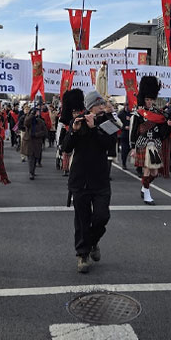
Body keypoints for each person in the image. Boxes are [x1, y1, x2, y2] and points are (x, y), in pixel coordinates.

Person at [60, 90, 118, 274]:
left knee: (102, 216)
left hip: (100, 179)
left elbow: (109, 145)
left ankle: (92, 242)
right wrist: (74, 131)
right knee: (82, 220)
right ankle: (82, 254)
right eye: (99, 104)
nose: (102, 107)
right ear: (90, 106)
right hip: (80, 179)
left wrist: (94, 129)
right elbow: (66, 147)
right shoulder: (77, 121)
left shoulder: (108, 122)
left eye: (103, 104)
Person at [130, 75, 171, 204]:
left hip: (155, 144)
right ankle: (147, 193)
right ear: (143, 99)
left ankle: (144, 187)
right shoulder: (138, 113)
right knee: (147, 169)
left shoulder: (159, 113)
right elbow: (133, 131)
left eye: (151, 99)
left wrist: (169, 126)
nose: (149, 102)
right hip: (143, 144)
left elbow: (162, 133)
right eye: (147, 99)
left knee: (154, 173)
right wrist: (133, 147)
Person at [20, 105, 49, 179]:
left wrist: (37, 134)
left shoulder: (40, 121)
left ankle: (33, 171)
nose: (37, 114)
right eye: (35, 112)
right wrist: (32, 115)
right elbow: (26, 122)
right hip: (29, 142)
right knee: (30, 158)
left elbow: (45, 132)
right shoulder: (28, 120)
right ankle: (31, 173)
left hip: (37, 142)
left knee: (36, 157)